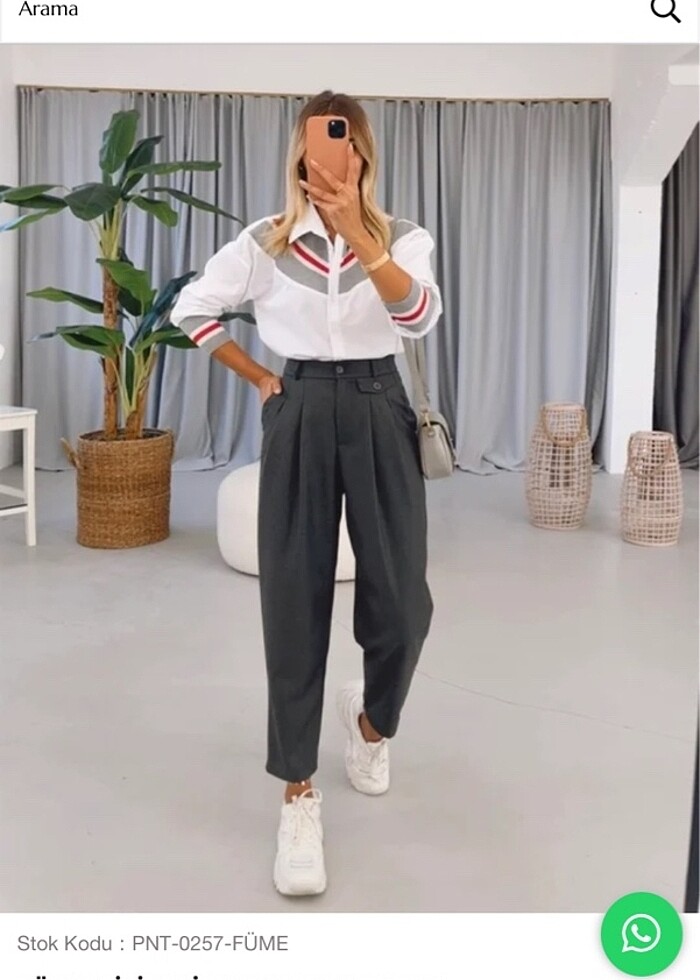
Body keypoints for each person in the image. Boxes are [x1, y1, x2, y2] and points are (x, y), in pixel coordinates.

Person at [171, 90, 442, 896]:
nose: (330, 155)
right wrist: (259, 377)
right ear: (299, 156)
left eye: (344, 141)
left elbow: (418, 318)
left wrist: (358, 229)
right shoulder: (265, 242)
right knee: (292, 602)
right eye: (318, 143)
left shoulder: (405, 238)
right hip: (299, 407)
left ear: (362, 154)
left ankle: (371, 723)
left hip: (380, 405)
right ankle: (297, 792)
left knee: (403, 603)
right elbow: (193, 309)